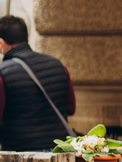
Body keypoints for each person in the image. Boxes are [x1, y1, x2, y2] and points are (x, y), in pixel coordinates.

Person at [0, 15, 75, 151]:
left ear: (1, 43)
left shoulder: (3, 73)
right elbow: (70, 108)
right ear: (27, 39)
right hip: (59, 151)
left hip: (21, 155)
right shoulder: (58, 66)